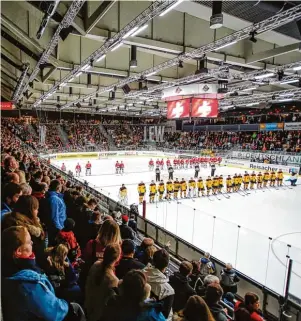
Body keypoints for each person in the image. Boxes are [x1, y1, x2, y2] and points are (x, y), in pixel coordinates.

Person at [1, 226, 85, 321]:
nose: (32, 243)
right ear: (19, 251)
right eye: (28, 242)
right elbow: (55, 312)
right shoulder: (28, 285)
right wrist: (68, 306)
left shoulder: (7, 268)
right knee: (76, 308)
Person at [2, 195, 46, 268]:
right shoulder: (20, 228)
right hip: (25, 264)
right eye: (36, 208)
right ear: (29, 209)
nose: (37, 211)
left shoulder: (26, 221)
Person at [85, 244, 121, 321]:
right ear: (118, 258)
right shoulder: (114, 280)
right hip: (99, 316)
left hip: (87, 308)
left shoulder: (95, 265)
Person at [144, 249, 175, 320]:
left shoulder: (141, 274)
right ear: (166, 265)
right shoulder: (168, 290)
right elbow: (165, 315)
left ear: (153, 261)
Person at [46, 179, 66, 245]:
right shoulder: (55, 199)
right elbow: (54, 216)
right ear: (58, 188)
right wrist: (59, 228)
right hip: (57, 228)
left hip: (59, 225)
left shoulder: (56, 197)